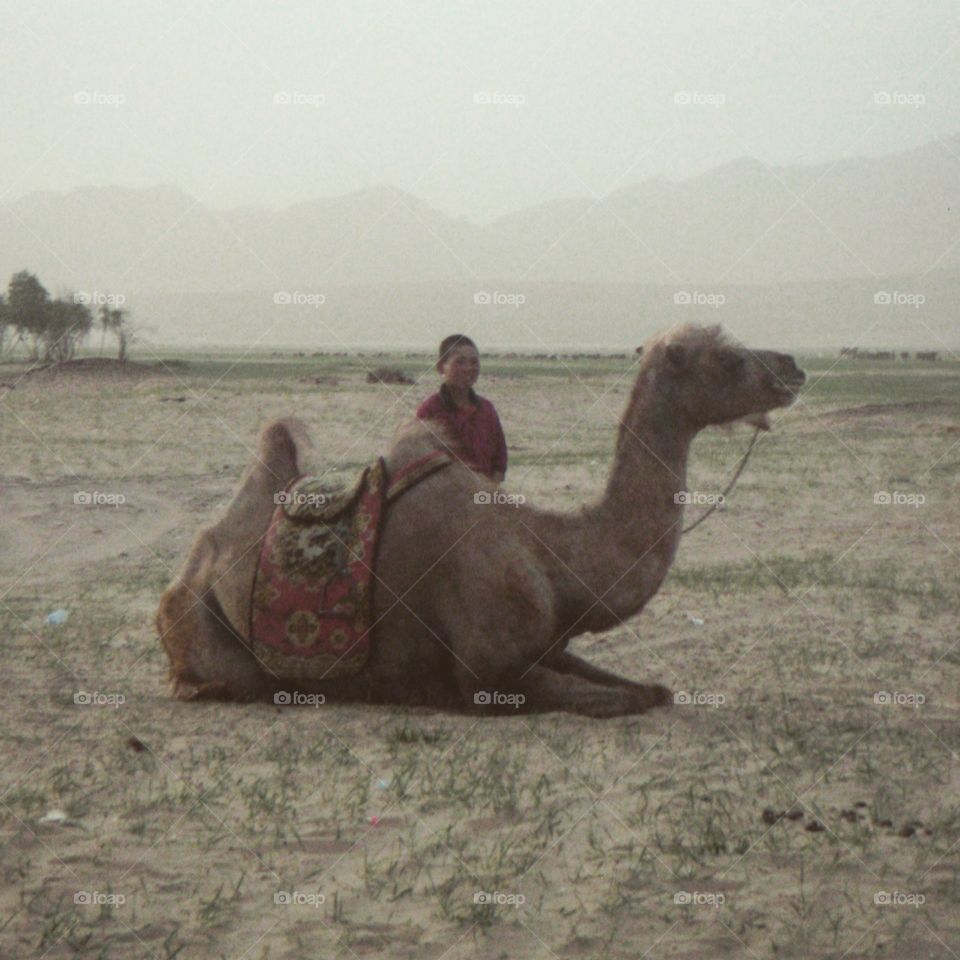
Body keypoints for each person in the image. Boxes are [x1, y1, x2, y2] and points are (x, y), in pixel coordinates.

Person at [416, 334, 507, 482]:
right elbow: (419, 465)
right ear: (441, 367)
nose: (468, 368)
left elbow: (500, 462)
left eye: (474, 362)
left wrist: (488, 494)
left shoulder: (486, 410)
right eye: (460, 362)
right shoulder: (429, 412)